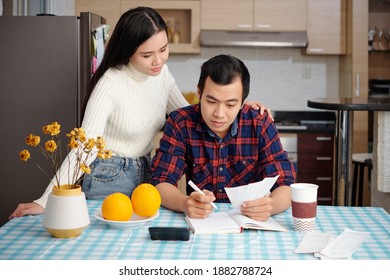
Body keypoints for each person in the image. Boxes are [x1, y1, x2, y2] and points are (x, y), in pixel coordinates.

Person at [9, 7, 271, 219]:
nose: (158, 61)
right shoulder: (111, 83)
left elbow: (193, 115)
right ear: (128, 50)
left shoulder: (161, 75)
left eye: (163, 49)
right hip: (107, 177)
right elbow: (83, 148)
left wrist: (241, 107)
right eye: (147, 55)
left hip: (146, 173)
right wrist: (46, 201)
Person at [151, 54, 296, 222]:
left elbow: (285, 184)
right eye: (211, 102)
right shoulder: (181, 122)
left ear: (243, 102)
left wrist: (270, 206)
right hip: (203, 222)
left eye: (230, 105)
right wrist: (185, 203)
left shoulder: (259, 123)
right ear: (199, 92)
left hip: (249, 223)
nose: (219, 114)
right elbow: (161, 181)